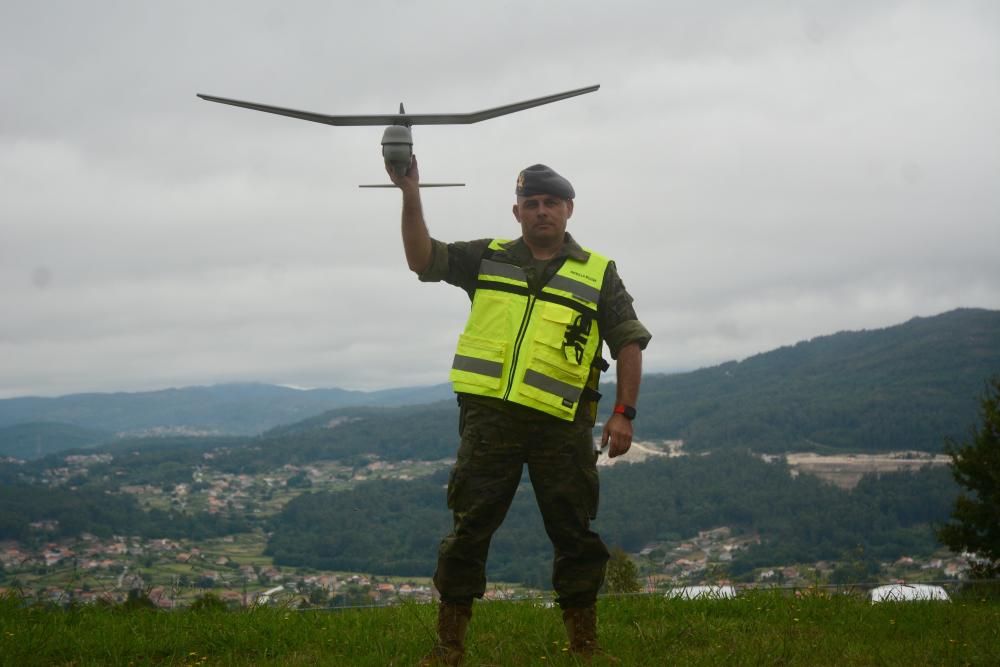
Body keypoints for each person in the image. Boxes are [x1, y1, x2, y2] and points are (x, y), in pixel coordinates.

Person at [389, 157, 650, 665]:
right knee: (470, 530)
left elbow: (629, 343)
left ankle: (585, 647)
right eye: (531, 204)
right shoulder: (487, 258)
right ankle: (448, 648)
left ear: (569, 209)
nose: (541, 211)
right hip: (491, 424)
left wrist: (625, 412)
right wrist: (410, 192)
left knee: (574, 533)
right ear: (517, 212)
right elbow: (422, 259)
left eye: (551, 202)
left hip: (562, 426)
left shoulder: (598, 272)